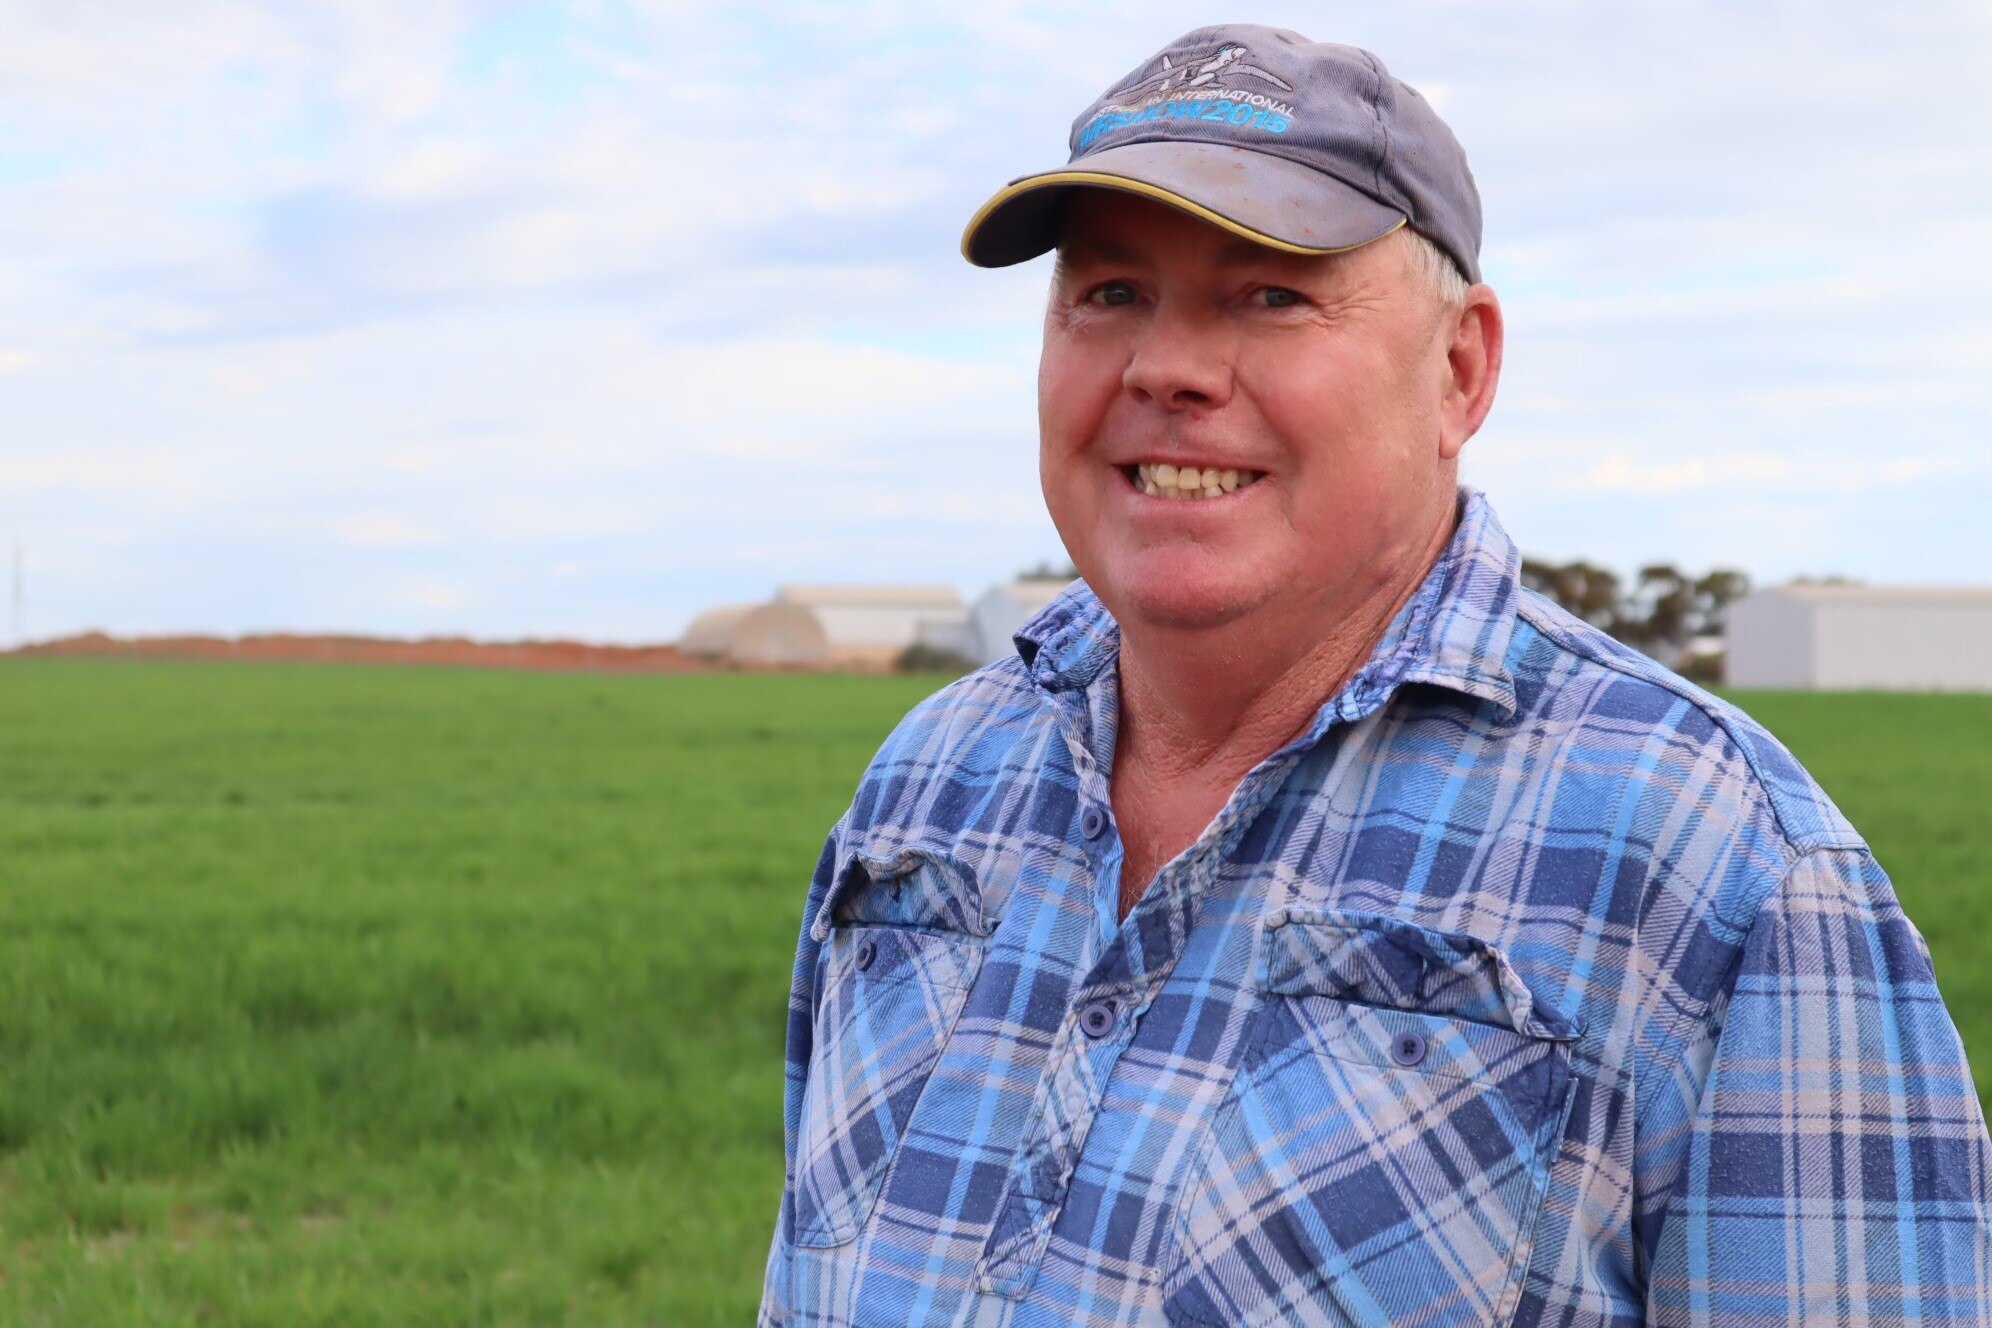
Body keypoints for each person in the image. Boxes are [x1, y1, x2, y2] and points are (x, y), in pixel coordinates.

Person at [758, 23, 1992, 1327]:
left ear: (1459, 371)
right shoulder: (926, 789)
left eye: (1271, 293)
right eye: (1108, 294)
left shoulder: (1714, 859)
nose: (1164, 366)